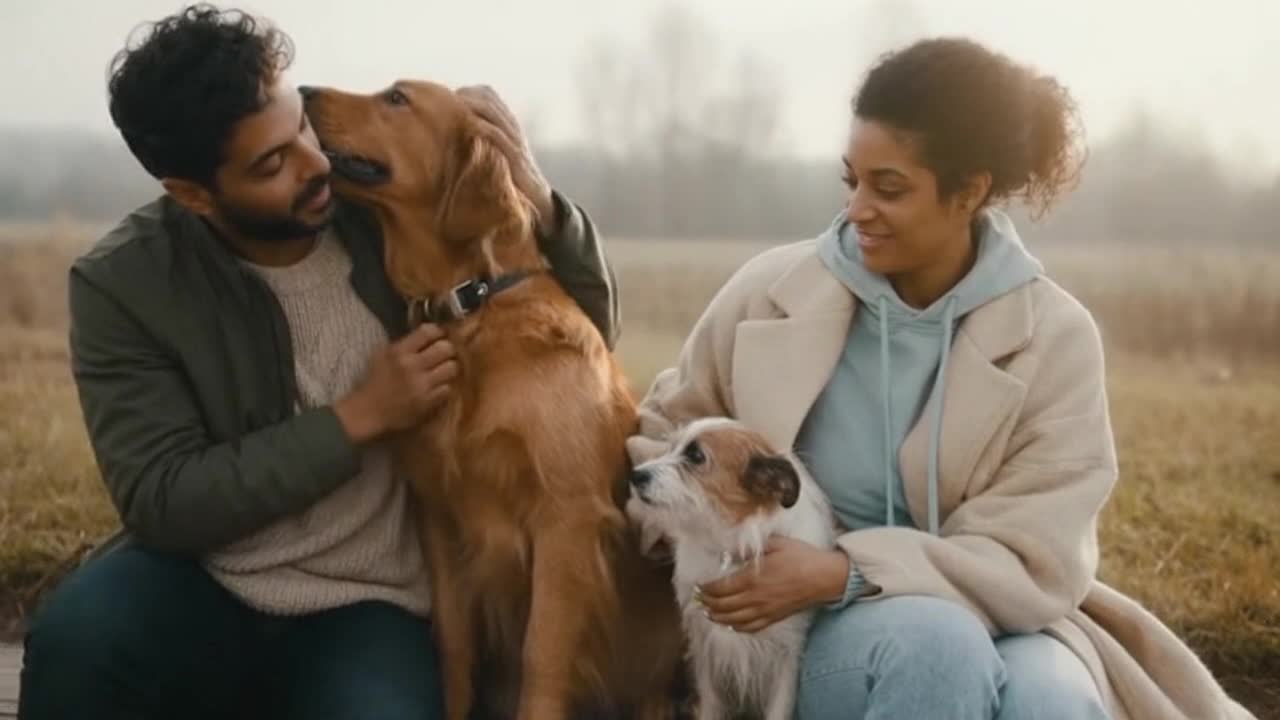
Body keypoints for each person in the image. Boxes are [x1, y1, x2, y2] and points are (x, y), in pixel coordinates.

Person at [626, 37, 1256, 720]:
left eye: (889, 187)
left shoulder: (1056, 338)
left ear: (971, 191)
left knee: (1052, 701)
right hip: (794, 639)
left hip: (1005, 619)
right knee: (935, 645)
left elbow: (1037, 552)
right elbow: (662, 435)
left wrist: (846, 571)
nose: (857, 208)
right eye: (852, 180)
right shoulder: (768, 289)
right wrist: (708, 550)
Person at [17, 4, 619, 720]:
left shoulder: (375, 206)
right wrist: (360, 418)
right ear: (192, 195)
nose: (313, 163)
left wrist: (540, 198)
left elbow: (577, 336)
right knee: (74, 643)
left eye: (299, 124)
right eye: (272, 163)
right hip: (203, 582)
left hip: (372, 605)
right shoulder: (124, 285)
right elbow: (163, 500)